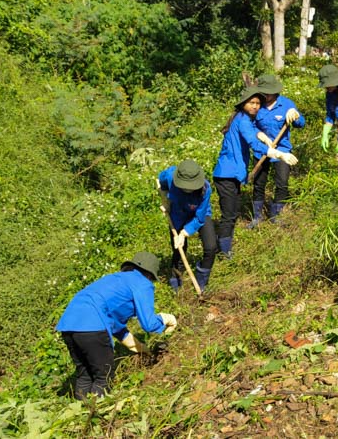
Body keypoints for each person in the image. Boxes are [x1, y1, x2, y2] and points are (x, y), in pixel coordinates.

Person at [56, 252, 177, 400]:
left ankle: (79, 413)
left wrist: (137, 347)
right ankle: (94, 417)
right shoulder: (142, 283)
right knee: (103, 377)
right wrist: (165, 319)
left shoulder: (115, 279)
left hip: (68, 325)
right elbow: (149, 324)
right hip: (93, 325)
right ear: (150, 274)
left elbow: (114, 323)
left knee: (85, 375)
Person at [213, 85, 298, 260]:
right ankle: (223, 251)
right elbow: (252, 141)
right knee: (229, 215)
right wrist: (278, 153)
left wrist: (262, 135)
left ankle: (222, 246)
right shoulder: (242, 120)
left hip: (232, 174)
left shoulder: (243, 118)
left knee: (233, 212)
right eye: (251, 103)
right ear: (243, 103)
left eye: (258, 103)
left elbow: (253, 132)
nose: (255, 106)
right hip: (227, 174)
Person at [250, 74, 305, 226]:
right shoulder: (256, 105)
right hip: (262, 150)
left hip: (283, 150)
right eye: (264, 93)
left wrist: (296, 115)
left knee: (282, 183)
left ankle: (276, 215)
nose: (267, 96)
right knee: (259, 184)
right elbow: (251, 126)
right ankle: (257, 216)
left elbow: (301, 123)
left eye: (269, 92)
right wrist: (260, 136)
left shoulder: (286, 104)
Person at [157, 159, 215, 292]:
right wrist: (165, 198)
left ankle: (201, 282)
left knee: (211, 247)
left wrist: (185, 233)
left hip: (199, 214)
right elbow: (161, 180)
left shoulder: (205, 189)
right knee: (178, 248)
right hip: (178, 214)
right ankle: (176, 279)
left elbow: (199, 217)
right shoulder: (171, 176)